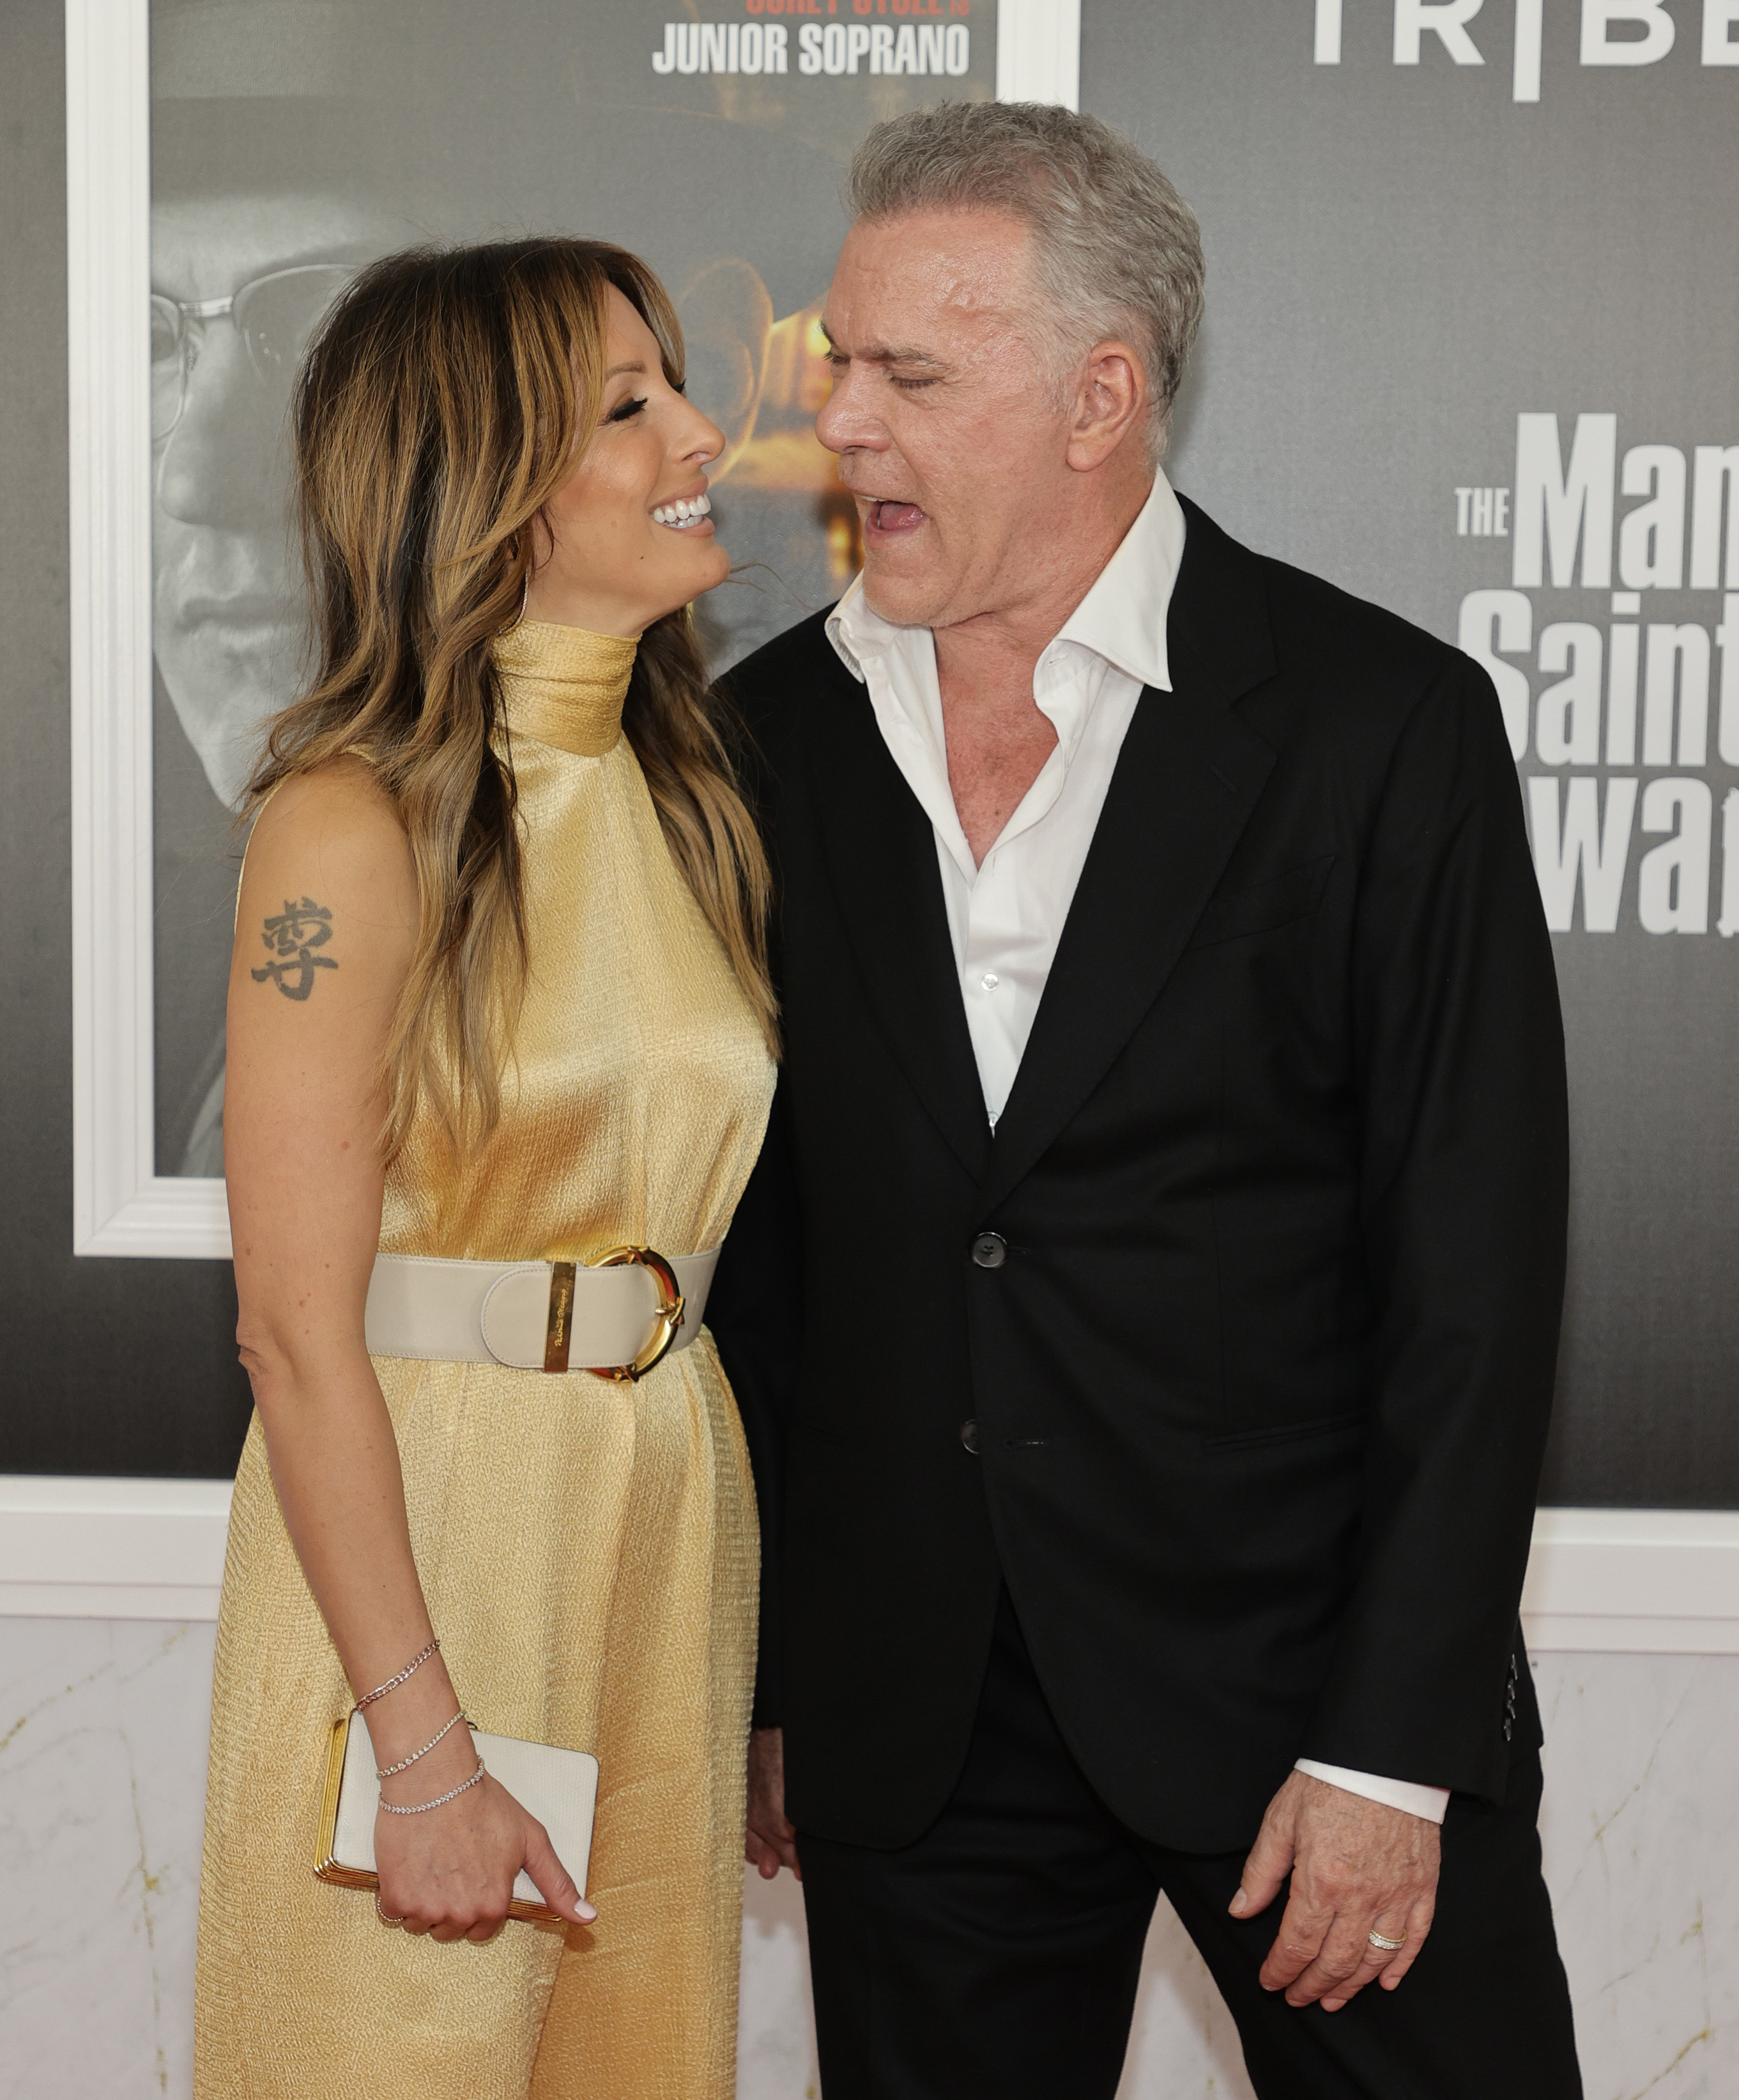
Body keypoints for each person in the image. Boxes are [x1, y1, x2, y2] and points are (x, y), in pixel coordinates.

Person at [707, 103, 1583, 2098]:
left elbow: (1474, 1274)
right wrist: (774, 1676)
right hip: (912, 1722)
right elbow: (769, 1252)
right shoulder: (755, 745)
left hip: (1300, 1703)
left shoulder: (1377, 727)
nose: (837, 421)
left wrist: (1388, 1750)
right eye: (841, 360)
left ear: (1100, 393)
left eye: (907, 373)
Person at [195, 238, 778, 2097]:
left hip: (666, 1505)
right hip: (430, 1534)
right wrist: (424, 1749)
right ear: (484, 478)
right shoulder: (343, 823)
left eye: (674, 382)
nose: (700, 432)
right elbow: (294, 1329)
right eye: (628, 404)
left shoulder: (688, 796)